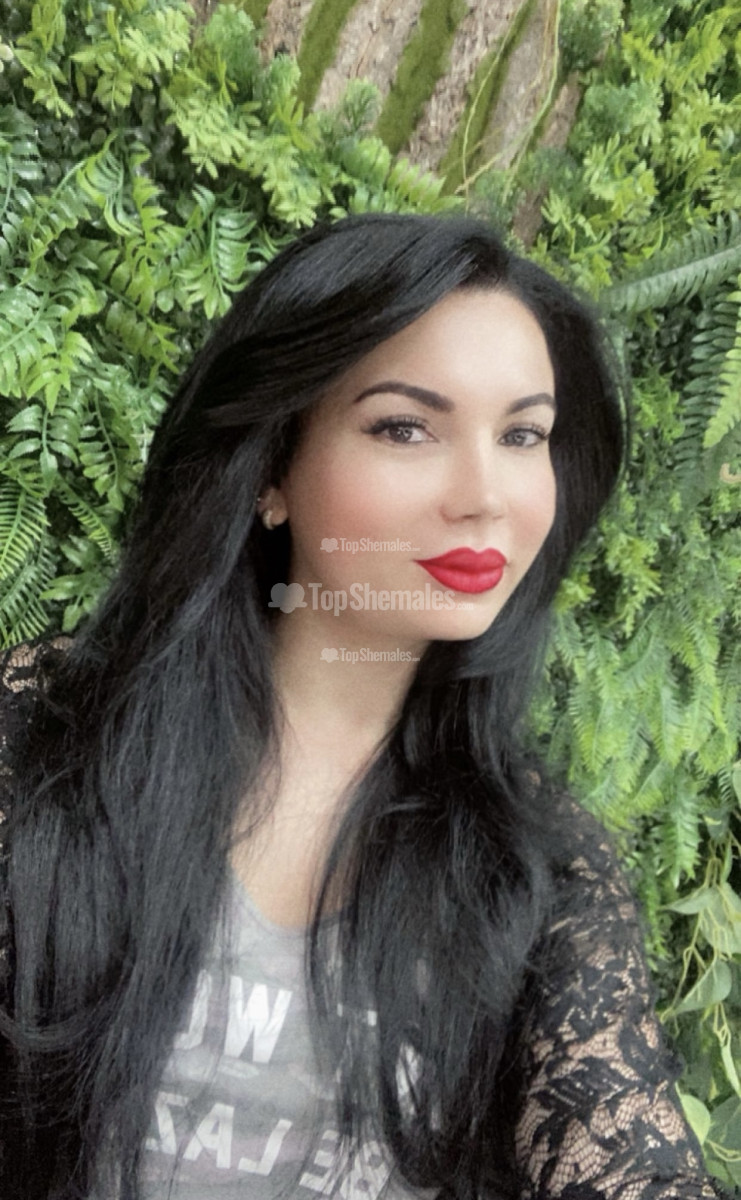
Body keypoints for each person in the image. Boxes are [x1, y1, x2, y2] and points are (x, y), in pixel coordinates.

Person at [0, 213, 720, 1200]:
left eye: (522, 434)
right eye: (404, 427)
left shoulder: (536, 871)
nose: (485, 496)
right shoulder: (43, 738)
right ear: (271, 470)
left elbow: (625, 1146)